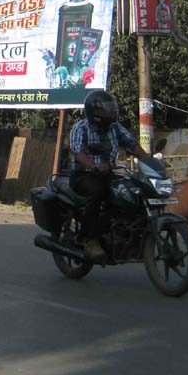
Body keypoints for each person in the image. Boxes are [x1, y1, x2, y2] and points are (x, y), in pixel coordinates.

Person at [69, 90, 150, 262]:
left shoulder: (115, 128)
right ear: (94, 112)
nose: (109, 113)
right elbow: (78, 154)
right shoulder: (80, 128)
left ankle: (126, 236)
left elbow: (131, 144)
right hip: (83, 175)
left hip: (109, 173)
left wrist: (149, 161)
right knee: (98, 191)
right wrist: (94, 166)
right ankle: (88, 238)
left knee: (130, 194)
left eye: (111, 109)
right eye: (104, 110)